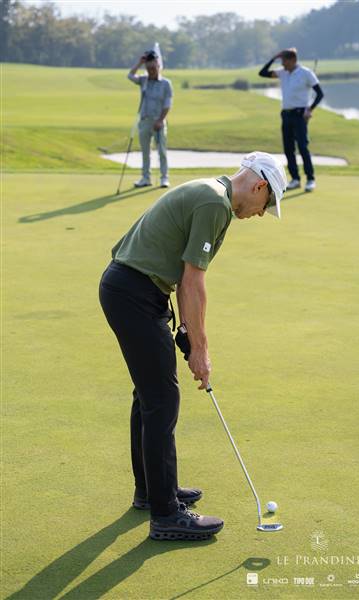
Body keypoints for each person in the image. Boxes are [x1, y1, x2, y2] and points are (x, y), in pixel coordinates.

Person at [99, 152, 287, 541]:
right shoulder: (214, 204)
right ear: (259, 186)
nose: (259, 214)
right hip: (133, 293)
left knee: (150, 396)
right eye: (265, 205)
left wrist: (187, 332)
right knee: (161, 400)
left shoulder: (213, 195)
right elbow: (192, 282)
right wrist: (200, 349)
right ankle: (167, 515)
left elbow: (185, 280)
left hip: (135, 291)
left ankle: (153, 491)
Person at [259, 48, 324, 192]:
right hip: (286, 115)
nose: (282, 64)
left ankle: (310, 179)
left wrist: (310, 109)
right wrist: (273, 58)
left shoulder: (306, 73)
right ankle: (295, 179)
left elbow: (320, 94)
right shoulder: (283, 72)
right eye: (281, 61)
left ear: (293, 60)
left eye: (284, 61)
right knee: (288, 148)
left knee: (302, 147)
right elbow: (262, 73)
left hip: (300, 115)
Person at [128, 50, 173, 189]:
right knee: (145, 152)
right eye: (148, 68)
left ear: (158, 66)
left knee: (161, 151)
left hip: (158, 122)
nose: (151, 71)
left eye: (153, 68)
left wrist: (160, 120)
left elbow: (167, 104)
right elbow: (130, 75)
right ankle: (145, 178)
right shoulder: (144, 80)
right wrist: (139, 63)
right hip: (144, 121)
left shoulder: (166, 83)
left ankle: (164, 178)